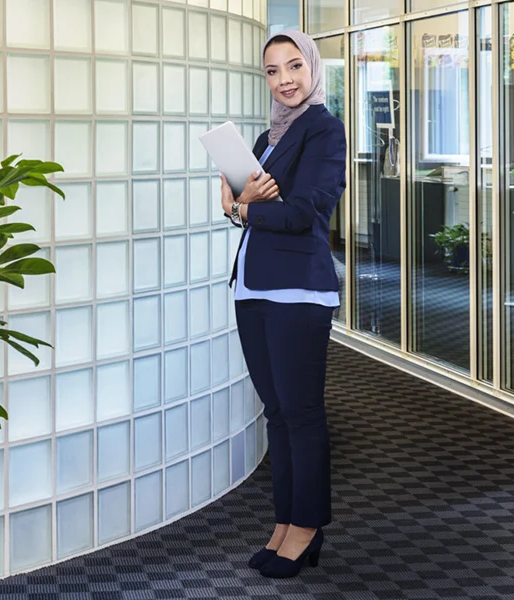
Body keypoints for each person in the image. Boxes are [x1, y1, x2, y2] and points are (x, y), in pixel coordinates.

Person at [219, 29, 346, 579]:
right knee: (276, 413)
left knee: (301, 413)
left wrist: (246, 207)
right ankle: (283, 522)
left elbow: (306, 212)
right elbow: (244, 202)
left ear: (312, 67)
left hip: (297, 291)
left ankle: (308, 526)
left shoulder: (324, 129)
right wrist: (237, 202)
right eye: (273, 71)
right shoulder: (266, 137)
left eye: (294, 66)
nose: (286, 80)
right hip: (253, 286)